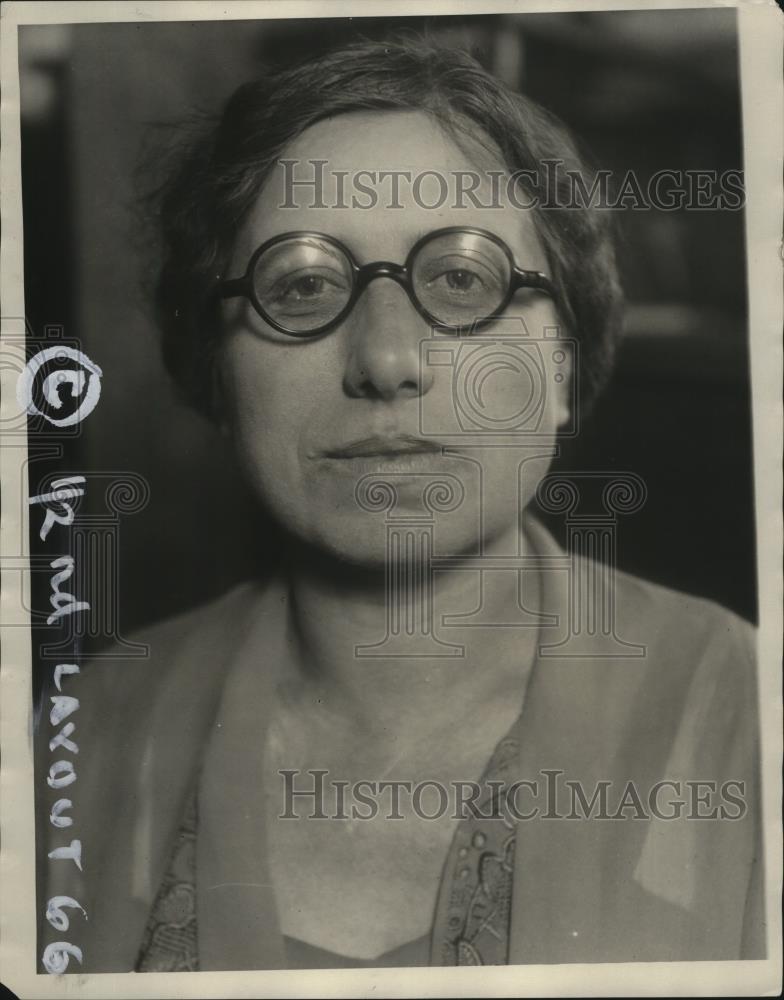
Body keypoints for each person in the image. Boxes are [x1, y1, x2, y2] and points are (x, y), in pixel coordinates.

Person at [38, 37, 764, 971]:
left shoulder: (751, 717)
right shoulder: (71, 741)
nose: (386, 360)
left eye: (462, 279)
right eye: (300, 286)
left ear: (563, 366)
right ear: (218, 375)